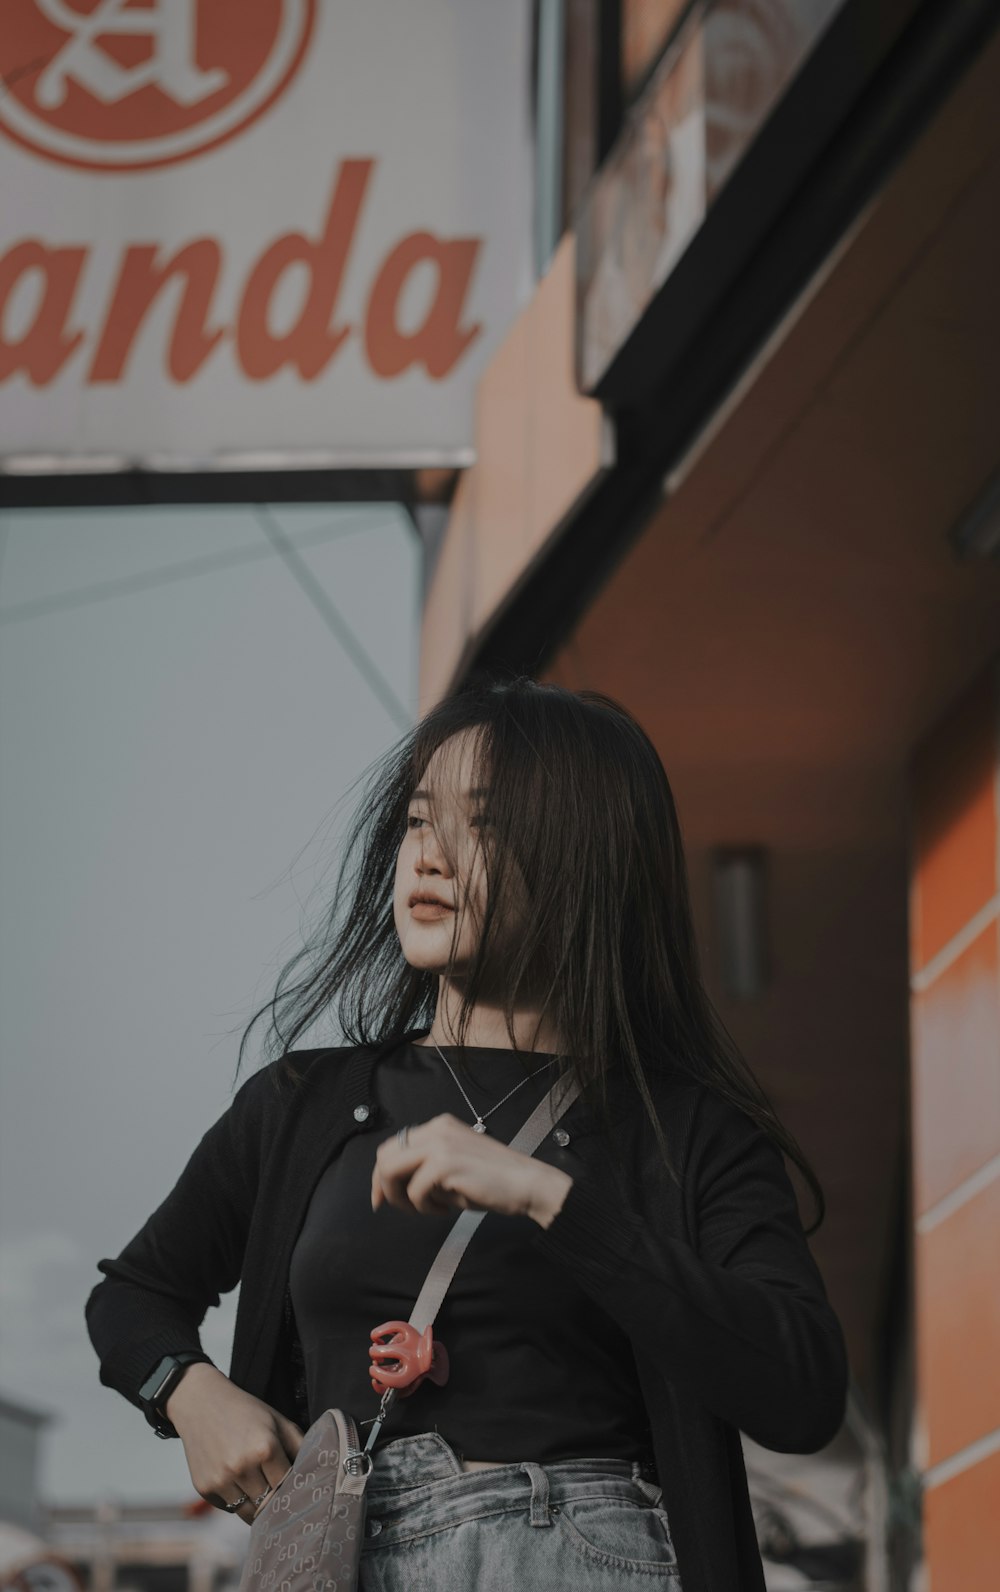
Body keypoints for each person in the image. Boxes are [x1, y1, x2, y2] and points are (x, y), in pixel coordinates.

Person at [86, 675, 848, 1592]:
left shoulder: (682, 1129)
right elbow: (133, 1296)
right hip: (345, 1550)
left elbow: (801, 1390)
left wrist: (545, 1198)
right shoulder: (304, 1101)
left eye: (481, 823)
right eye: (416, 820)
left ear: (584, 858)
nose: (430, 856)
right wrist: (189, 1393)